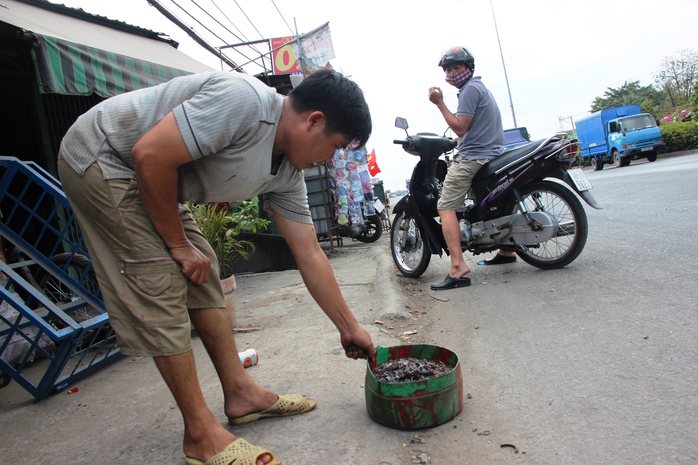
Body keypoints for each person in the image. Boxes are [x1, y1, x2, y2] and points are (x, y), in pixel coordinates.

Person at [57, 69, 376, 465]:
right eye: (336, 146)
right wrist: (176, 245)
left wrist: (349, 327)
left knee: (202, 271)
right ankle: (200, 435)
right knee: (159, 277)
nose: (330, 159)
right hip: (105, 157)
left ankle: (241, 393)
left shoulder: (288, 173)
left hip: (153, 176)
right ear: (314, 121)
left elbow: (309, 253)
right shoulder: (244, 102)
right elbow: (150, 154)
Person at [427, 46, 515, 291]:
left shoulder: (469, 91)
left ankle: (457, 267)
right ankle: (507, 249)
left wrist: (439, 103)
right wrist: (459, 142)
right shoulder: (479, 88)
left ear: (469, 68)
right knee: (487, 203)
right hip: (491, 153)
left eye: (457, 67)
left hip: (475, 157)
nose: (453, 73)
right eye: (449, 69)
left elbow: (460, 127)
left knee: (445, 206)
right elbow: (469, 131)